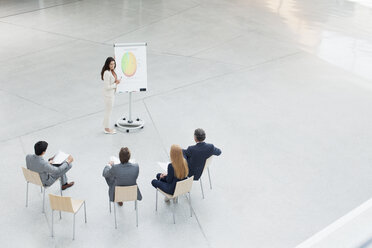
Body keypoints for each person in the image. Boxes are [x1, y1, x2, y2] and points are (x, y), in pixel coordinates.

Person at [101, 57, 121, 134]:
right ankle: (107, 129)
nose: (113, 65)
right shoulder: (107, 73)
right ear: (107, 64)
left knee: (108, 111)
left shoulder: (111, 71)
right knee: (108, 112)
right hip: (108, 96)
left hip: (111, 95)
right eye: (111, 64)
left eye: (113, 64)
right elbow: (107, 87)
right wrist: (116, 84)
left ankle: (105, 125)